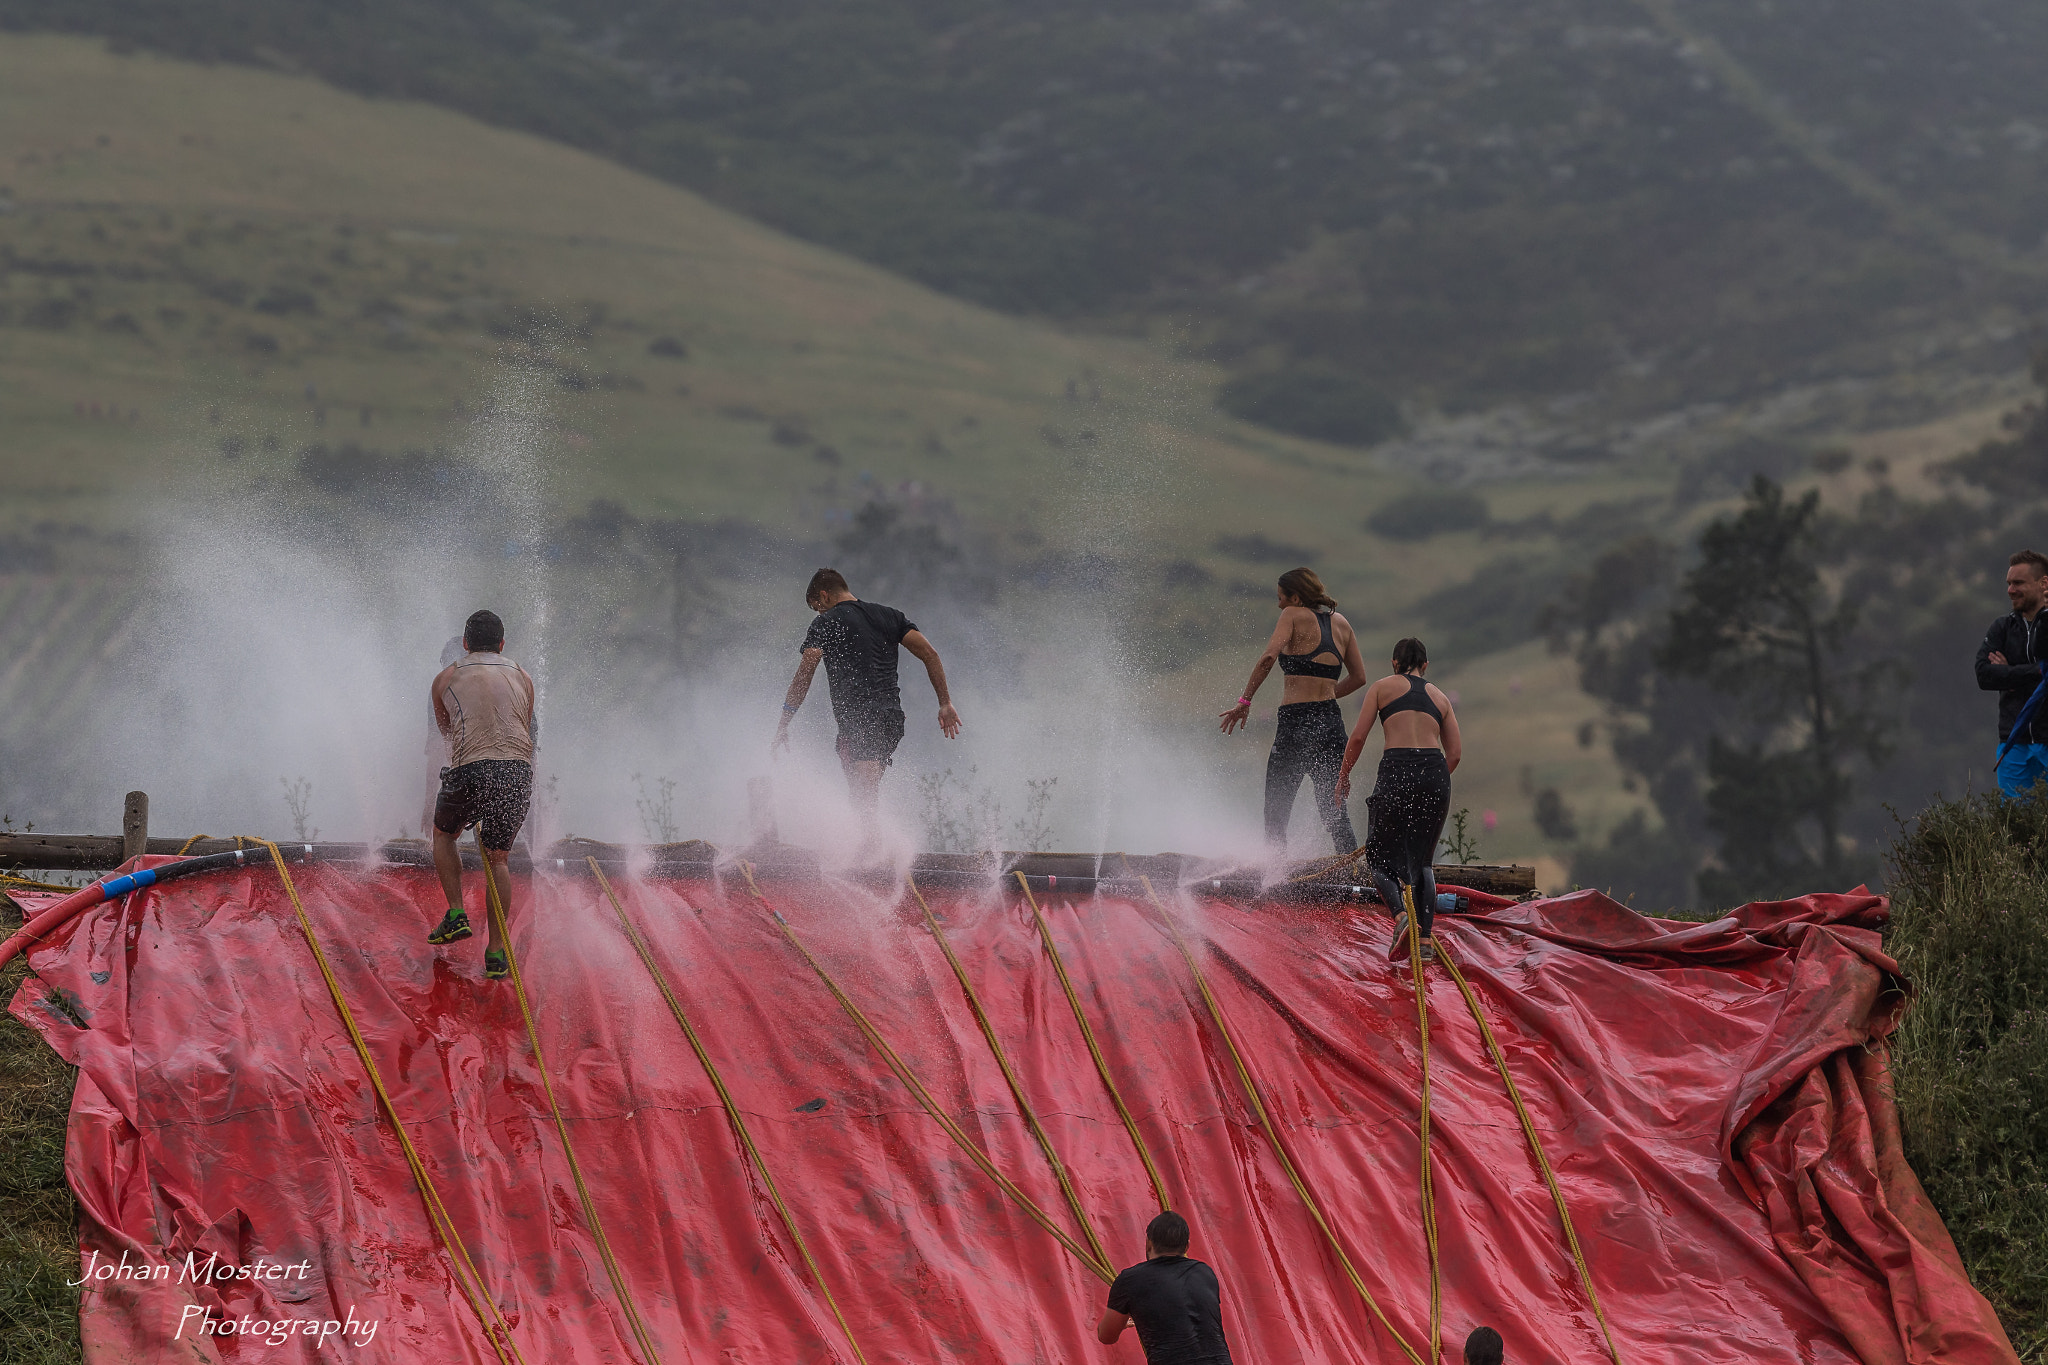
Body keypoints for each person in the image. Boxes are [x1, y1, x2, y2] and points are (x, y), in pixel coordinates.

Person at [774, 569, 961, 825]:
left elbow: (807, 667)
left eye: (817, 607)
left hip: (860, 720)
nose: (819, 613)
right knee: (861, 796)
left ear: (825, 595)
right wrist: (945, 702)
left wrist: (786, 717)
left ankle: (873, 857)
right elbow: (930, 654)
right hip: (891, 720)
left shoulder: (827, 622)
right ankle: (868, 853)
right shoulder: (890, 616)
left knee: (864, 801)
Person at [1219, 568, 1369, 855]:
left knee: (1277, 806)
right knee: (1334, 808)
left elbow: (1267, 659)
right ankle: (1352, 874)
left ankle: (1275, 877)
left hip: (1296, 723)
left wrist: (1245, 701)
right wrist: (1326, 693)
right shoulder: (1342, 624)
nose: (1279, 605)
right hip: (1330, 722)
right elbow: (1359, 677)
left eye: (1281, 598)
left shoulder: (1291, 616)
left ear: (1296, 598)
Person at [425, 610, 537, 981]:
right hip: (516, 773)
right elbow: (525, 727)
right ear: (502, 645)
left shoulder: (445, 679)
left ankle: (456, 912)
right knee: (499, 858)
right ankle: (496, 952)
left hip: (471, 767)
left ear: (466, 643)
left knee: (444, 834)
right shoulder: (523, 676)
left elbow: (448, 735)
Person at [1336, 637, 1461, 962]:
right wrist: (1430, 782)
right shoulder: (1440, 697)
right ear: (1425, 665)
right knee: (1422, 863)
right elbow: (1456, 754)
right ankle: (1425, 942)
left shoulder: (1381, 688)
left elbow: (1360, 735)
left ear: (1394, 663)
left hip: (1397, 769)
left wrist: (1344, 774)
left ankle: (1400, 917)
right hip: (1435, 772)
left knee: (1378, 858)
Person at [1096, 1211, 1233, 1364]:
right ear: (1187, 1245)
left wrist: (1123, 1321)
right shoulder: (1204, 1272)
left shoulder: (1130, 1280)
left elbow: (1106, 1336)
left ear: (1148, 1243)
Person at [1976, 549, 2048, 798]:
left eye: (2018, 583)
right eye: (2008, 583)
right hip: (2013, 743)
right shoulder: (2001, 628)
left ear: (2043, 583)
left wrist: (2009, 674)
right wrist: (2037, 672)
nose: (2010, 590)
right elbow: (1984, 675)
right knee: (2016, 826)